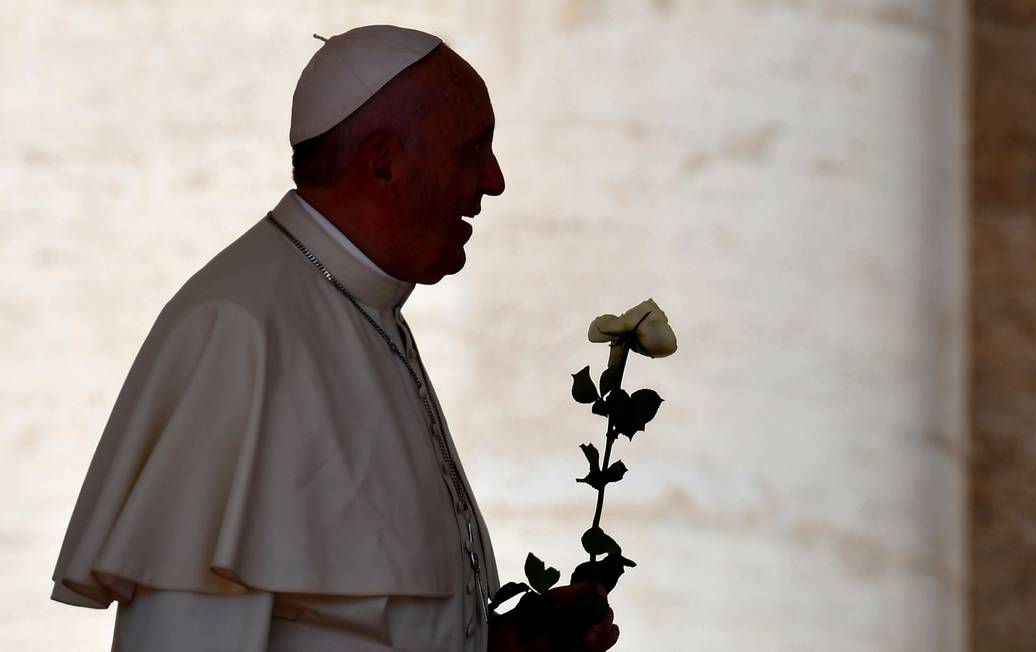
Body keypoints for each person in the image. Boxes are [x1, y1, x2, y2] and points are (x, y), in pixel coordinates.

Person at [49, 24, 619, 652]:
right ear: (383, 166)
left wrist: (504, 644)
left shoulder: (368, 308)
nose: (493, 180)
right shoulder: (240, 331)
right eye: (469, 152)